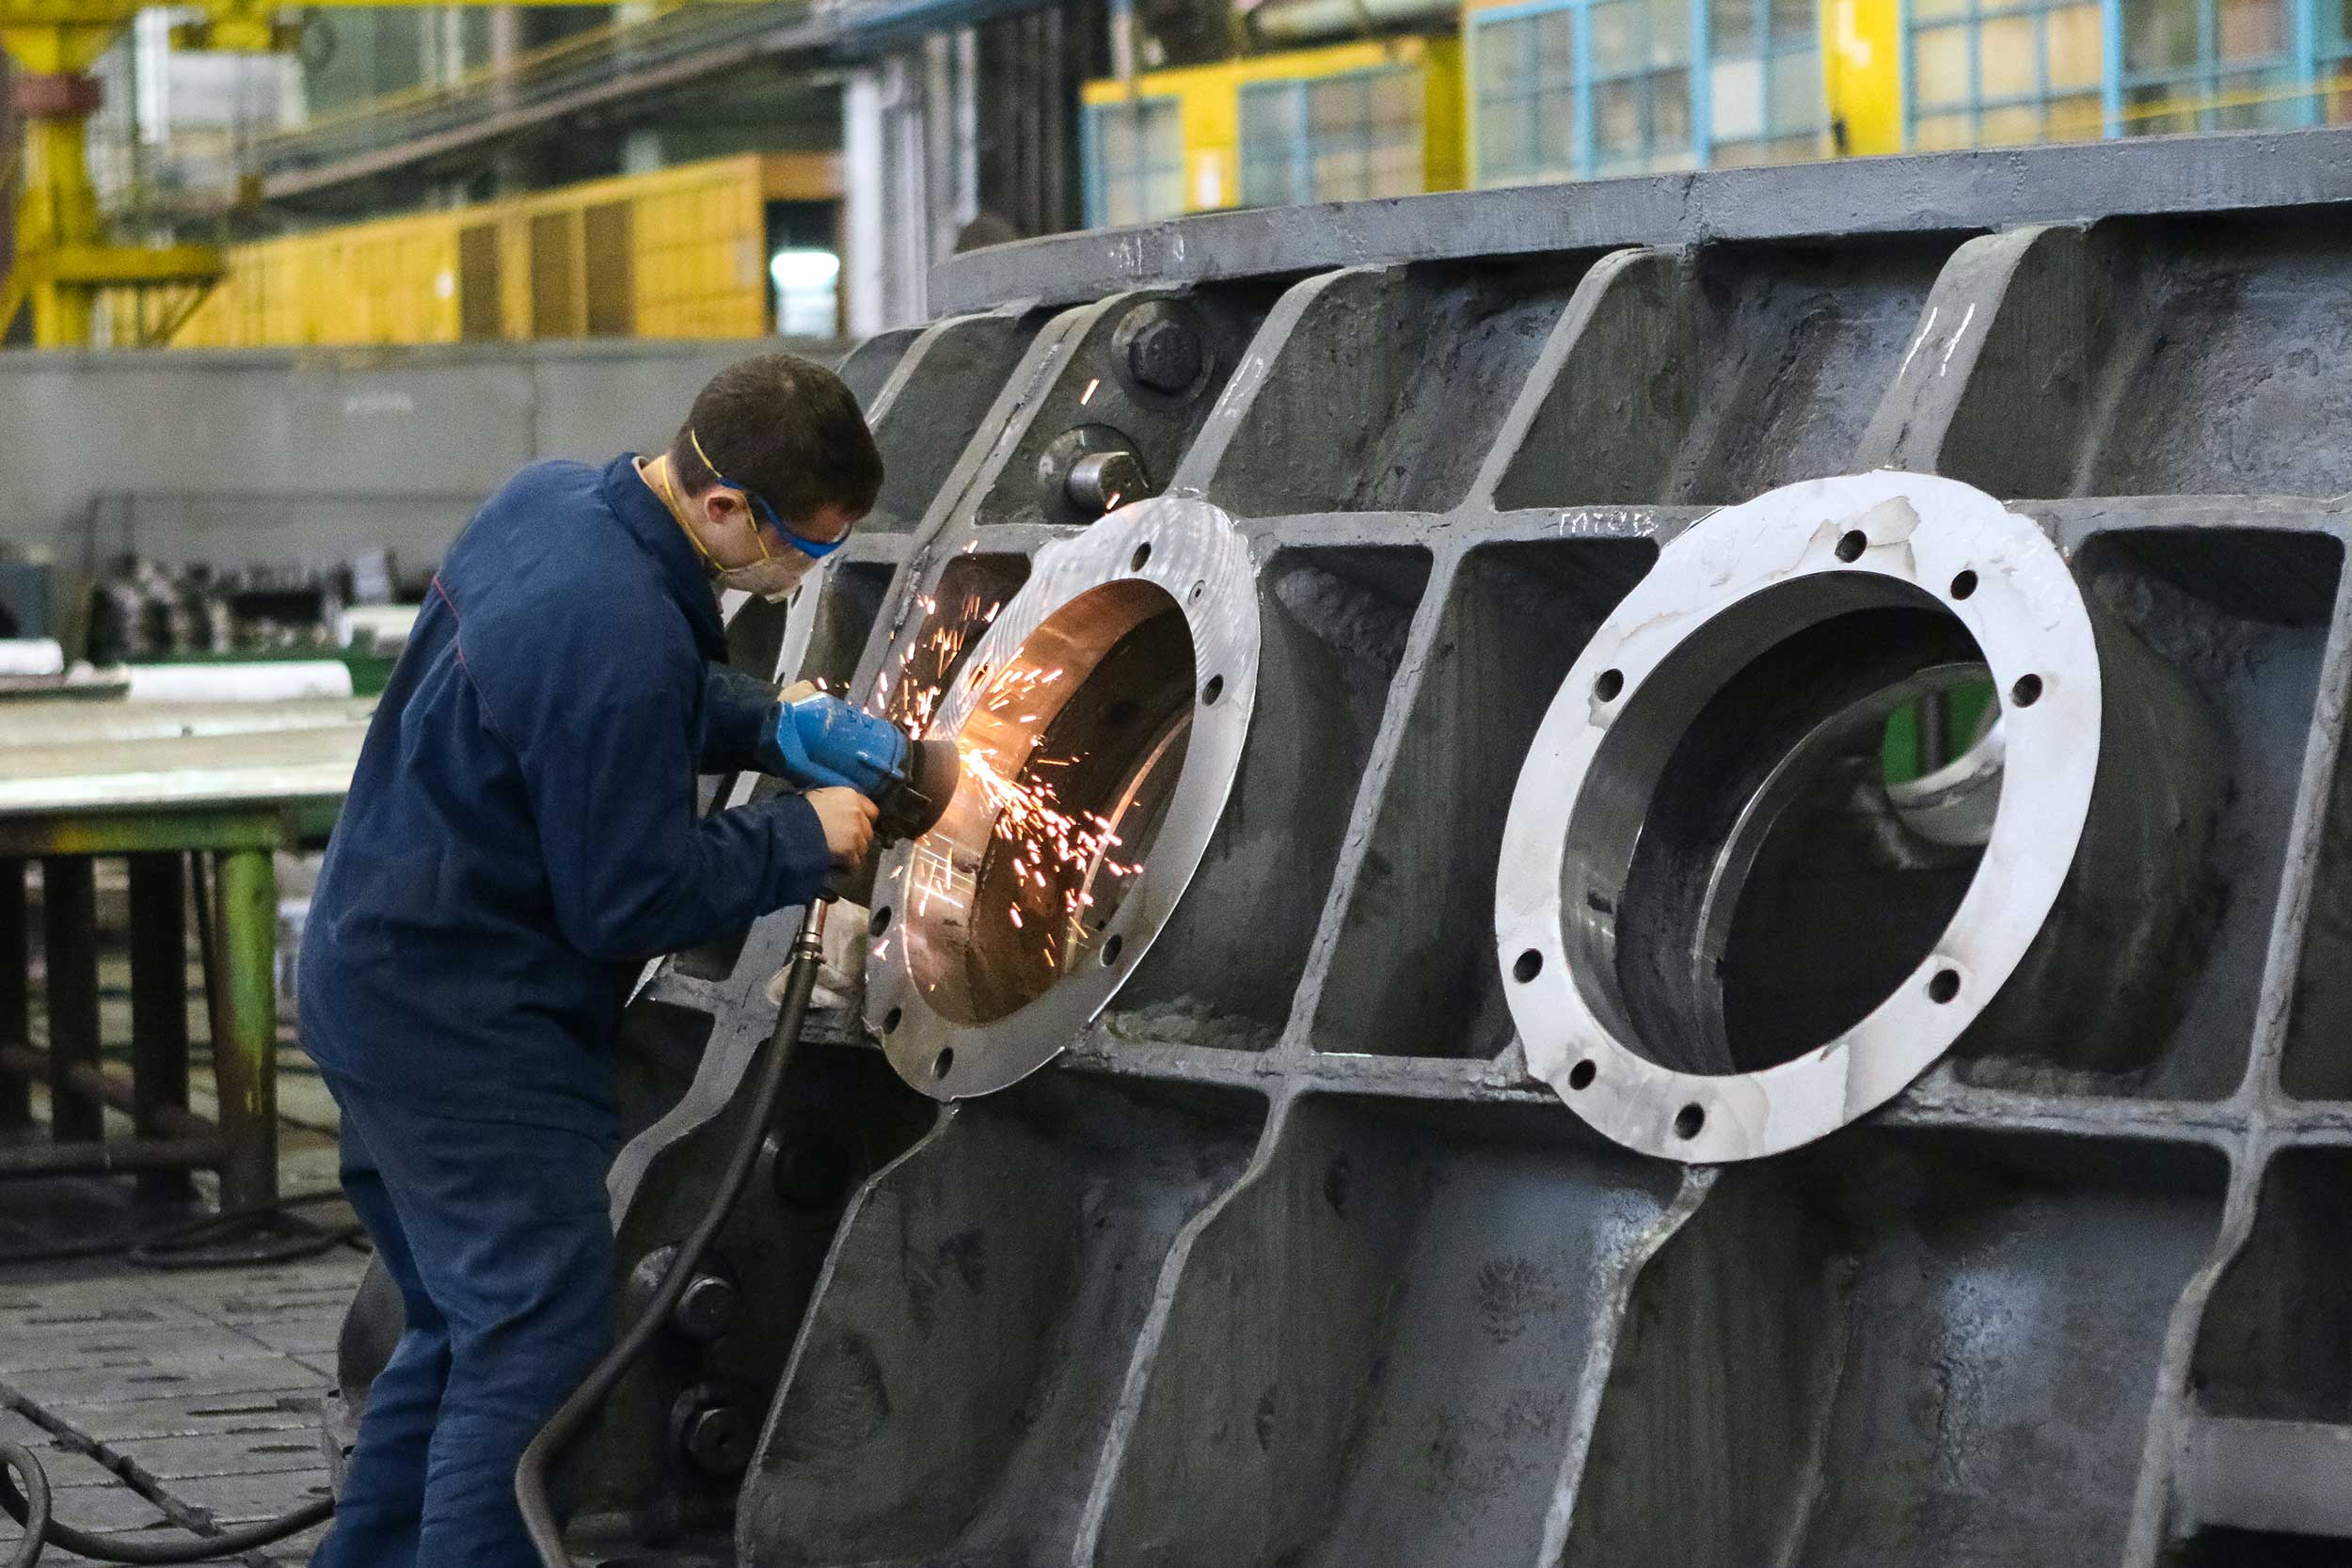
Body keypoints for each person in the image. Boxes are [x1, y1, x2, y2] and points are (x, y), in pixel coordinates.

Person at [298, 352, 883, 1568]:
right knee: (531, 1344)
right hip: (466, 1030)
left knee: (454, 1328)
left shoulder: (554, 502)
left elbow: (611, 697)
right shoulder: (614, 625)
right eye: (803, 549)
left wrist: (776, 723)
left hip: (375, 973)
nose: (800, 571)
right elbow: (628, 895)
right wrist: (798, 835)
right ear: (729, 509)